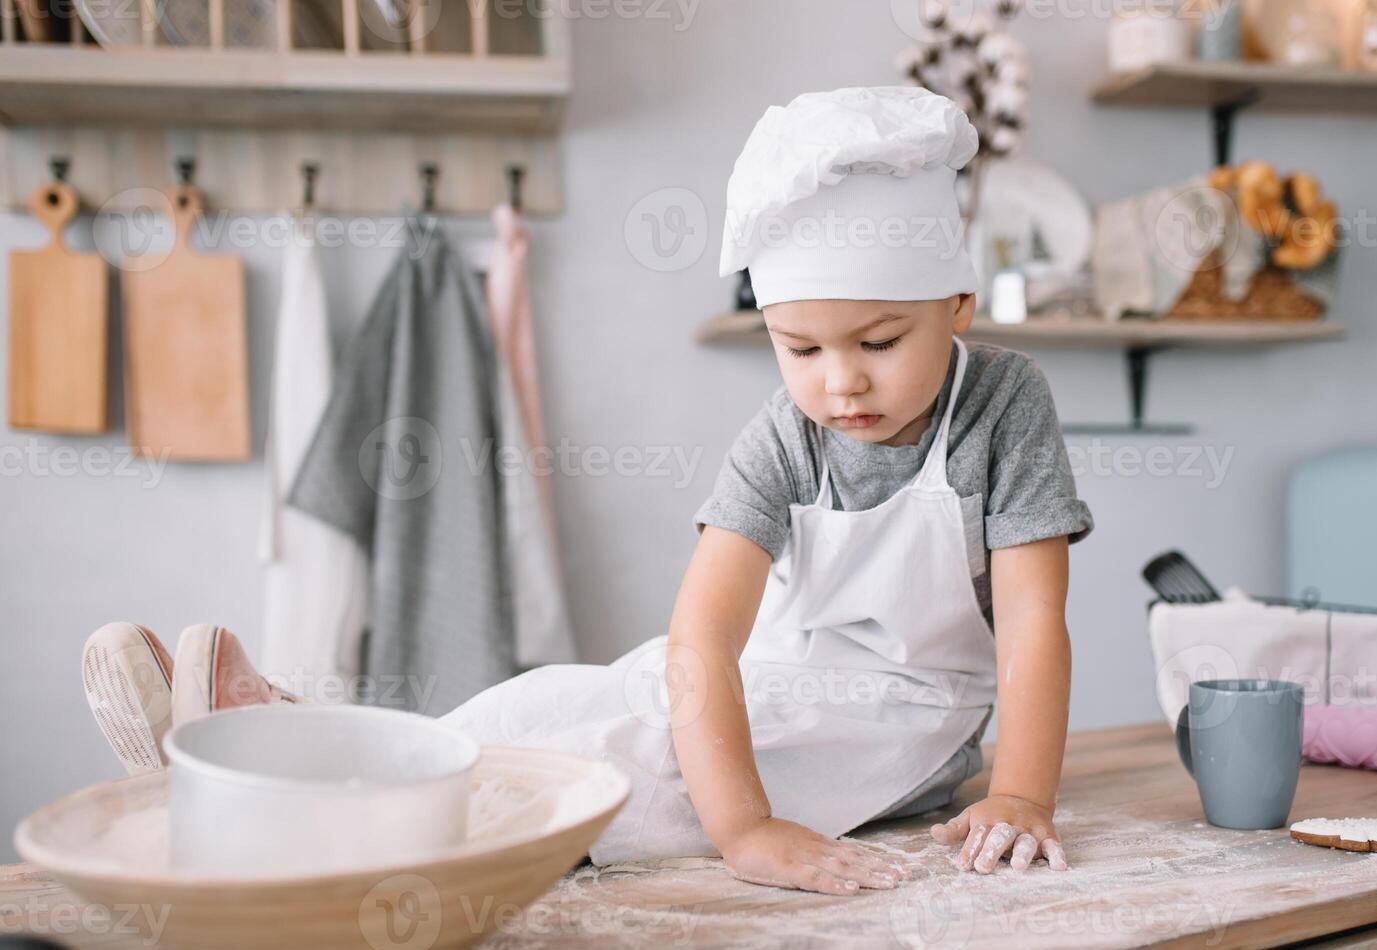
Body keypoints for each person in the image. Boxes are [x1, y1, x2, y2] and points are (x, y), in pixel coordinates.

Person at [82, 86, 1093, 897]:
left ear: (955, 303)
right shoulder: (781, 437)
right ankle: (301, 745)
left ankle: (289, 801)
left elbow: (1033, 624)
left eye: (879, 341)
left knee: (642, 765)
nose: (841, 381)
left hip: (897, 723)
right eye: (799, 347)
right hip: (781, 668)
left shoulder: (1002, 406)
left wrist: (1017, 791)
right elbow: (702, 640)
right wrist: (744, 822)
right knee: (564, 695)